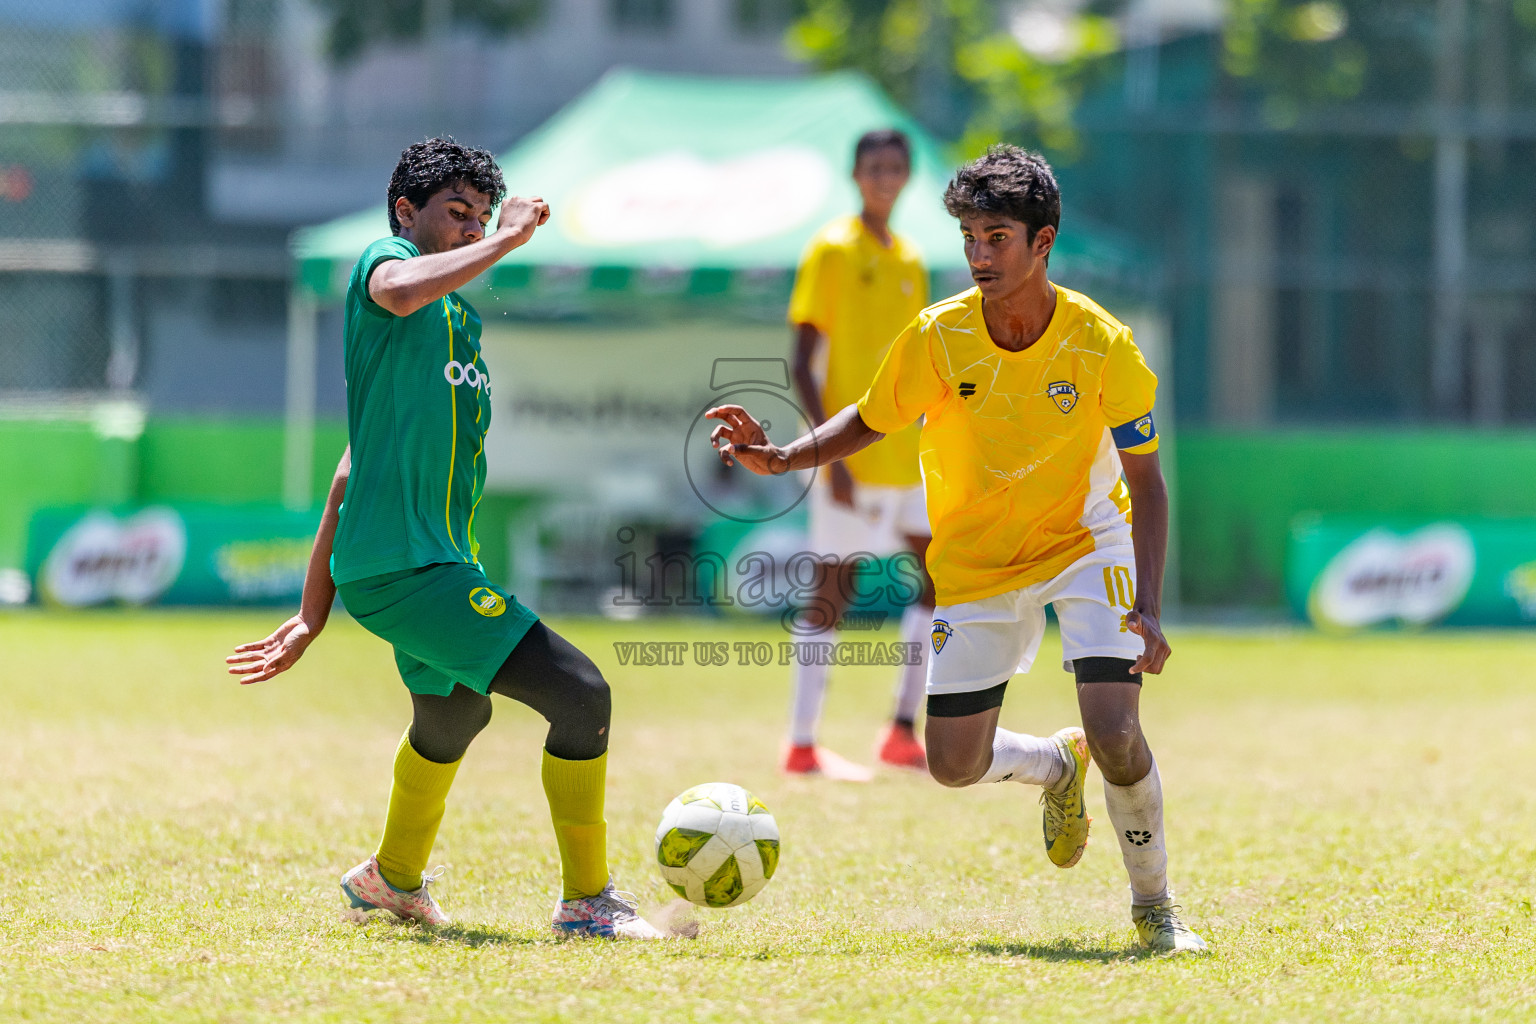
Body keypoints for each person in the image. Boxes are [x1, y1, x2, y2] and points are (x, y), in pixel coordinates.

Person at [707, 145, 1207, 953]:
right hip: (976, 561)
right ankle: (1052, 766)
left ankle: (1155, 909)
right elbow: (871, 417)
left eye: (997, 237)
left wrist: (1148, 607)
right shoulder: (938, 336)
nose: (979, 255)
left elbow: (1146, 484)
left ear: (1043, 243)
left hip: (1086, 544)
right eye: (971, 237)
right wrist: (785, 457)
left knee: (1116, 729)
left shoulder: (1102, 344)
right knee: (952, 763)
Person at [227, 137, 663, 940]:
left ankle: (390, 881)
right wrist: (509, 237)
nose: (470, 230)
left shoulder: (457, 315)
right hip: (407, 568)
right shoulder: (383, 265)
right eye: (455, 215)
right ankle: (588, 904)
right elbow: (396, 290)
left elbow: (350, 471)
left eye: (480, 218)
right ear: (406, 212)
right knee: (582, 694)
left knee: (454, 718)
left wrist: (310, 614)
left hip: (427, 562)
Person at [782, 128, 936, 780]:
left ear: (906, 176)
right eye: (873, 166)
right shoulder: (833, 249)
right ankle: (802, 743)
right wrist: (828, 456)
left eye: (895, 167)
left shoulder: (910, 258)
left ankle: (903, 730)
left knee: (940, 580)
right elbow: (802, 363)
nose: (883, 177)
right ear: (855, 174)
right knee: (831, 595)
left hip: (907, 454)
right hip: (850, 453)